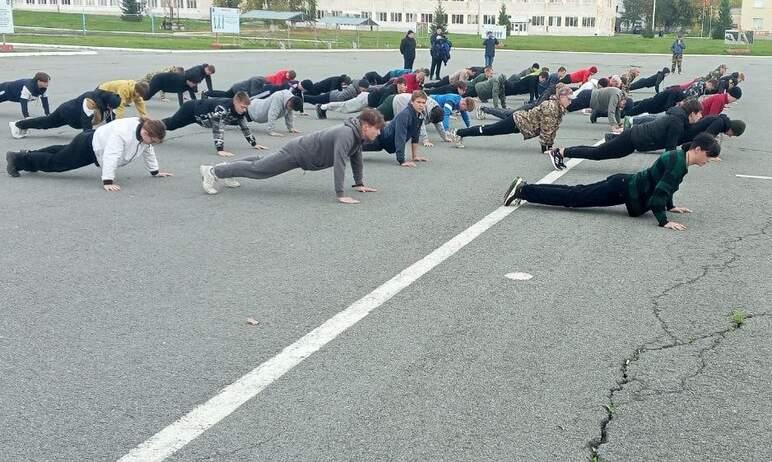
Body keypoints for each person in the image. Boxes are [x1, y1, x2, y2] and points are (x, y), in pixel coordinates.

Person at [504, 133, 721, 231]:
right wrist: (664, 221)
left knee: (575, 193)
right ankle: (523, 190)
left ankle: (525, 189)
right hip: (622, 189)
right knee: (574, 197)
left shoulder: (679, 158)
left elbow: (664, 186)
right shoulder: (678, 163)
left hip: (624, 186)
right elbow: (659, 195)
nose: (708, 161)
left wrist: (672, 206)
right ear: (698, 149)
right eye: (709, 156)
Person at [199, 109, 385, 203]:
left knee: (260, 162)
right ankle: (214, 172)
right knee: (261, 170)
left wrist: (359, 183)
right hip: (299, 153)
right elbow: (339, 162)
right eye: (377, 130)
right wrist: (340, 194)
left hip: (301, 151)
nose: (378, 133)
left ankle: (227, 170)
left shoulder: (357, 136)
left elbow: (356, 158)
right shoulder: (346, 134)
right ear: (366, 126)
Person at [6, 117, 172, 191]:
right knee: (58, 163)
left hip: (91, 139)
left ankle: (26, 155)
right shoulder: (123, 133)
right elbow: (111, 156)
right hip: (89, 146)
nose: (151, 144)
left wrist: (155, 171)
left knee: (61, 152)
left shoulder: (146, 135)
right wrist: (108, 181)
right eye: (152, 140)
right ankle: (18, 160)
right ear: (147, 132)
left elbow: (148, 151)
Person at [546, 99, 703, 169]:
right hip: (633, 138)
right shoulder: (677, 121)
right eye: (699, 114)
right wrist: (670, 169)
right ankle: (561, 152)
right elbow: (670, 149)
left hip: (634, 139)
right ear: (693, 112)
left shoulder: (678, 117)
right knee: (598, 153)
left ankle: (562, 152)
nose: (701, 117)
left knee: (600, 153)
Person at [450, 85, 573, 151]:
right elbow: (547, 129)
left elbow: (552, 128)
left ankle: (460, 133)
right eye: (569, 99)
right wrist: (546, 147)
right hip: (517, 122)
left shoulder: (558, 107)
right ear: (561, 97)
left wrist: (549, 146)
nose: (570, 102)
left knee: (489, 130)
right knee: (488, 130)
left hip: (522, 125)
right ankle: (459, 133)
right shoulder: (551, 107)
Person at [162, 92, 264, 157]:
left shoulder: (240, 111)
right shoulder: (222, 108)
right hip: (191, 110)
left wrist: (254, 143)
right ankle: (150, 126)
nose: (244, 110)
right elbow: (218, 128)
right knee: (171, 125)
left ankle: (151, 126)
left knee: (171, 124)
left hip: (202, 117)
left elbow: (244, 126)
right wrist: (220, 149)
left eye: (246, 107)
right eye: (242, 107)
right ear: (235, 102)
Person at [9, 89, 121, 139]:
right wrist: (89, 140)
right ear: (107, 103)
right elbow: (86, 124)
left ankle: (21, 125)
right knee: (46, 123)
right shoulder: (90, 101)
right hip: (67, 112)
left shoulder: (110, 101)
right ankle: (18, 125)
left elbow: (111, 120)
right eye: (110, 107)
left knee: (45, 123)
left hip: (75, 117)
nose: (111, 110)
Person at [363, 90, 427, 167]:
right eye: (418, 102)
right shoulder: (405, 115)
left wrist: (415, 156)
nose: (421, 105)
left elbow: (416, 135)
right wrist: (402, 160)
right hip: (380, 139)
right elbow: (400, 136)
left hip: (388, 143)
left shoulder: (420, 115)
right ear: (412, 102)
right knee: (355, 146)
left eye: (423, 103)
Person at [376, 93, 448, 146]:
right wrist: (425, 140)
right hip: (394, 101)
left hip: (402, 104)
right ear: (430, 114)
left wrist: (445, 138)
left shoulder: (437, 110)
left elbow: (439, 124)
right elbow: (421, 125)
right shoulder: (423, 108)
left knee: (383, 121)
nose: (432, 123)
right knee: (374, 117)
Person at [305, 79, 369, 107]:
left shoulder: (356, 88)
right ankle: (300, 97)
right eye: (363, 90)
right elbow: (340, 97)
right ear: (359, 86)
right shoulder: (351, 90)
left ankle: (301, 97)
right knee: (314, 100)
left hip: (333, 95)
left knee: (314, 100)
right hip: (331, 96)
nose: (363, 92)